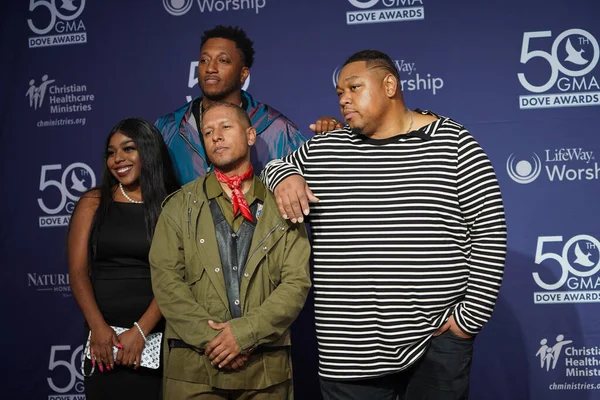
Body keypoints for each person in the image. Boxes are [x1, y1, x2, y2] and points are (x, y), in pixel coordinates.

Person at [260, 50, 507, 400]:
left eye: (354, 88)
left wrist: (468, 321)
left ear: (389, 84)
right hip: (348, 352)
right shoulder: (328, 148)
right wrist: (285, 176)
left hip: (436, 343)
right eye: (339, 93)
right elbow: (272, 168)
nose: (344, 99)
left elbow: (489, 233)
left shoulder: (453, 143)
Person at [149, 102, 311, 399]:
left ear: (251, 135)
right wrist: (217, 340)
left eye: (225, 127)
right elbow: (166, 281)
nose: (216, 136)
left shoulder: (283, 204)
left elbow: (296, 283)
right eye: (208, 131)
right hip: (194, 372)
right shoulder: (178, 206)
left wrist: (244, 334)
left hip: (265, 371)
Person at [68, 117, 179, 399]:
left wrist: (141, 331)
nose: (118, 159)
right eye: (111, 152)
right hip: (103, 337)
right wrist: (99, 329)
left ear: (148, 151)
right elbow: (79, 272)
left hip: (157, 334)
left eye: (128, 149)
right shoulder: (93, 202)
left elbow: (177, 277)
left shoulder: (173, 204)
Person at [155, 25, 310, 185]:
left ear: (243, 74)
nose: (210, 68)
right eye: (204, 60)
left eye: (223, 60)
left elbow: (308, 185)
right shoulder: (168, 127)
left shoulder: (277, 129)